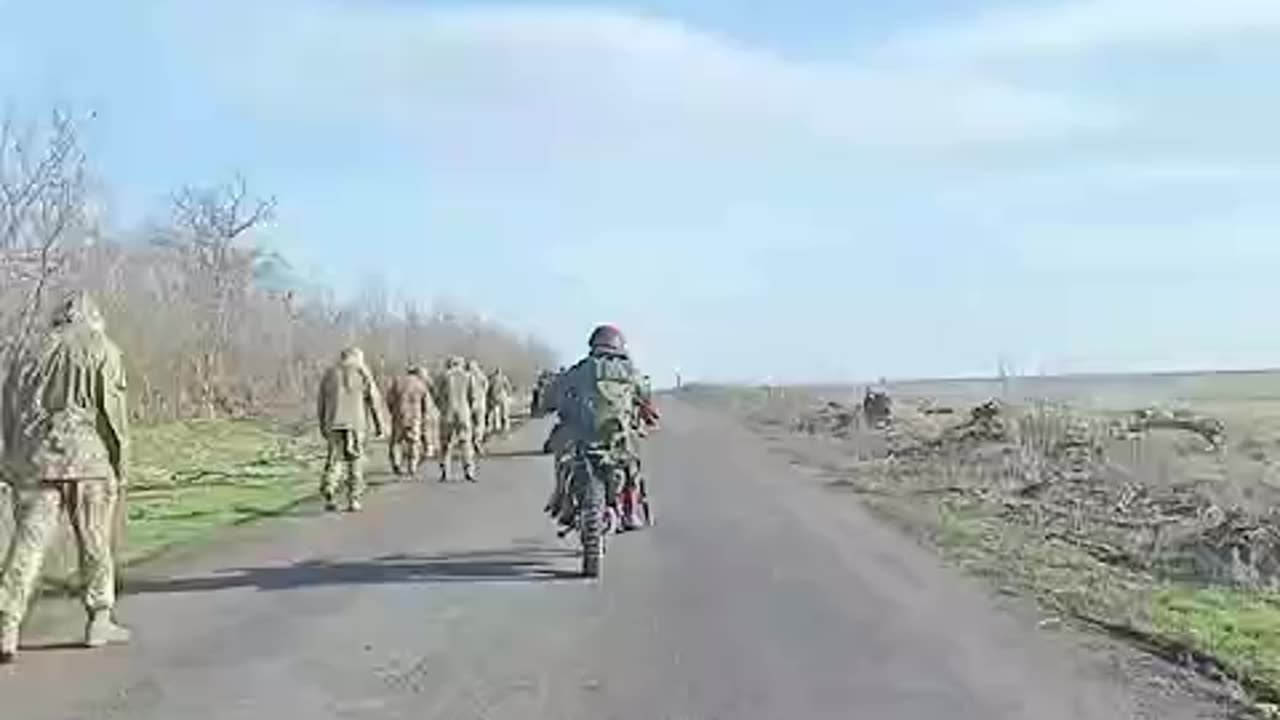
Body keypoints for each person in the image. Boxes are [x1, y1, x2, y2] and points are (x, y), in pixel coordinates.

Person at [0, 292, 131, 664]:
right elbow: (113, 414)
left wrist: (10, 460)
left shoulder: (27, 354)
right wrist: (122, 465)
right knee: (94, 541)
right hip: (88, 459)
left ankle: (7, 623)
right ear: (92, 316)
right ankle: (99, 618)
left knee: (27, 544)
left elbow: (9, 410)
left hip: (36, 462)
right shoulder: (102, 348)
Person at [547, 325, 649, 531]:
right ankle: (630, 511)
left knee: (563, 460)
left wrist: (555, 406)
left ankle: (562, 502)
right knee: (632, 465)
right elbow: (644, 394)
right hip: (617, 437)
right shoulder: (629, 371)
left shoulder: (582, 369)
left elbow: (556, 390)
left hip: (583, 435)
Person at [316, 347, 386, 512]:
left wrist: (323, 425)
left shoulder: (330, 373)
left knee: (334, 461)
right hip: (356, 424)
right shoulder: (363, 372)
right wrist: (379, 425)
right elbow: (374, 401)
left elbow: (321, 402)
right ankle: (353, 499)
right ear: (357, 357)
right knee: (355, 460)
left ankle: (330, 491)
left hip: (333, 423)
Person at [384, 364, 434, 478]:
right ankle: (412, 467)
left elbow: (389, 399)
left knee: (396, 442)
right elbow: (426, 405)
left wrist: (393, 411)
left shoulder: (397, 382)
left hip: (399, 416)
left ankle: (396, 465)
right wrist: (424, 418)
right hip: (414, 417)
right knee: (413, 443)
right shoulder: (421, 385)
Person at [436, 356, 478, 483]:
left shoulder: (444, 376)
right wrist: (469, 409)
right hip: (463, 413)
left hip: (447, 413)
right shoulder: (468, 376)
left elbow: (437, 396)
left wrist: (442, 408)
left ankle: (445, 472)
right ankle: (469, 471)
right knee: (465, 443)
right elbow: (473, 396)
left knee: (445, 444)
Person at [486, 368, 513, 436]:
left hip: (494, 397)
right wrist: (509, 394)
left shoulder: (491, 378)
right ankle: (505, 427)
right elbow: (508, 387)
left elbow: (488, 388)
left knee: (494, 412)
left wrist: (488, 397)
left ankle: (494, 427)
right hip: (502, 396)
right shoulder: (504, 378)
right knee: (504, 413)